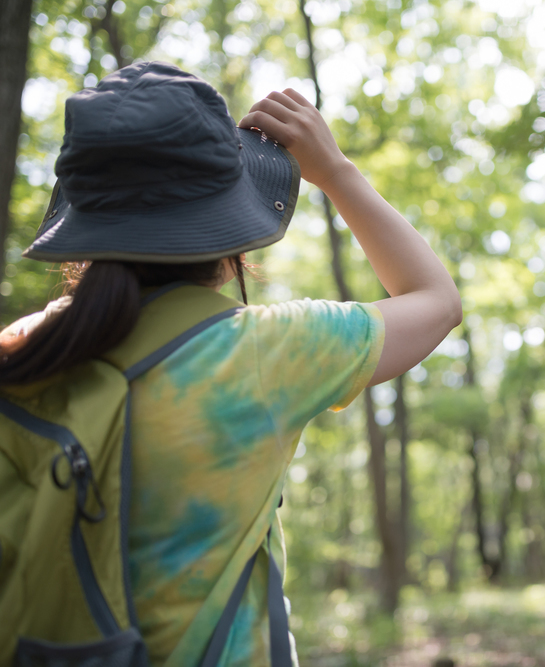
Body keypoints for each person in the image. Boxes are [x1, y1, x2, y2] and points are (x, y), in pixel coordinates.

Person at [0, 62, 461, 665]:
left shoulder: (22, 351)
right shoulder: (269, 352)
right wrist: (336, 173)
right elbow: (436, 301)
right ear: (231, 239)